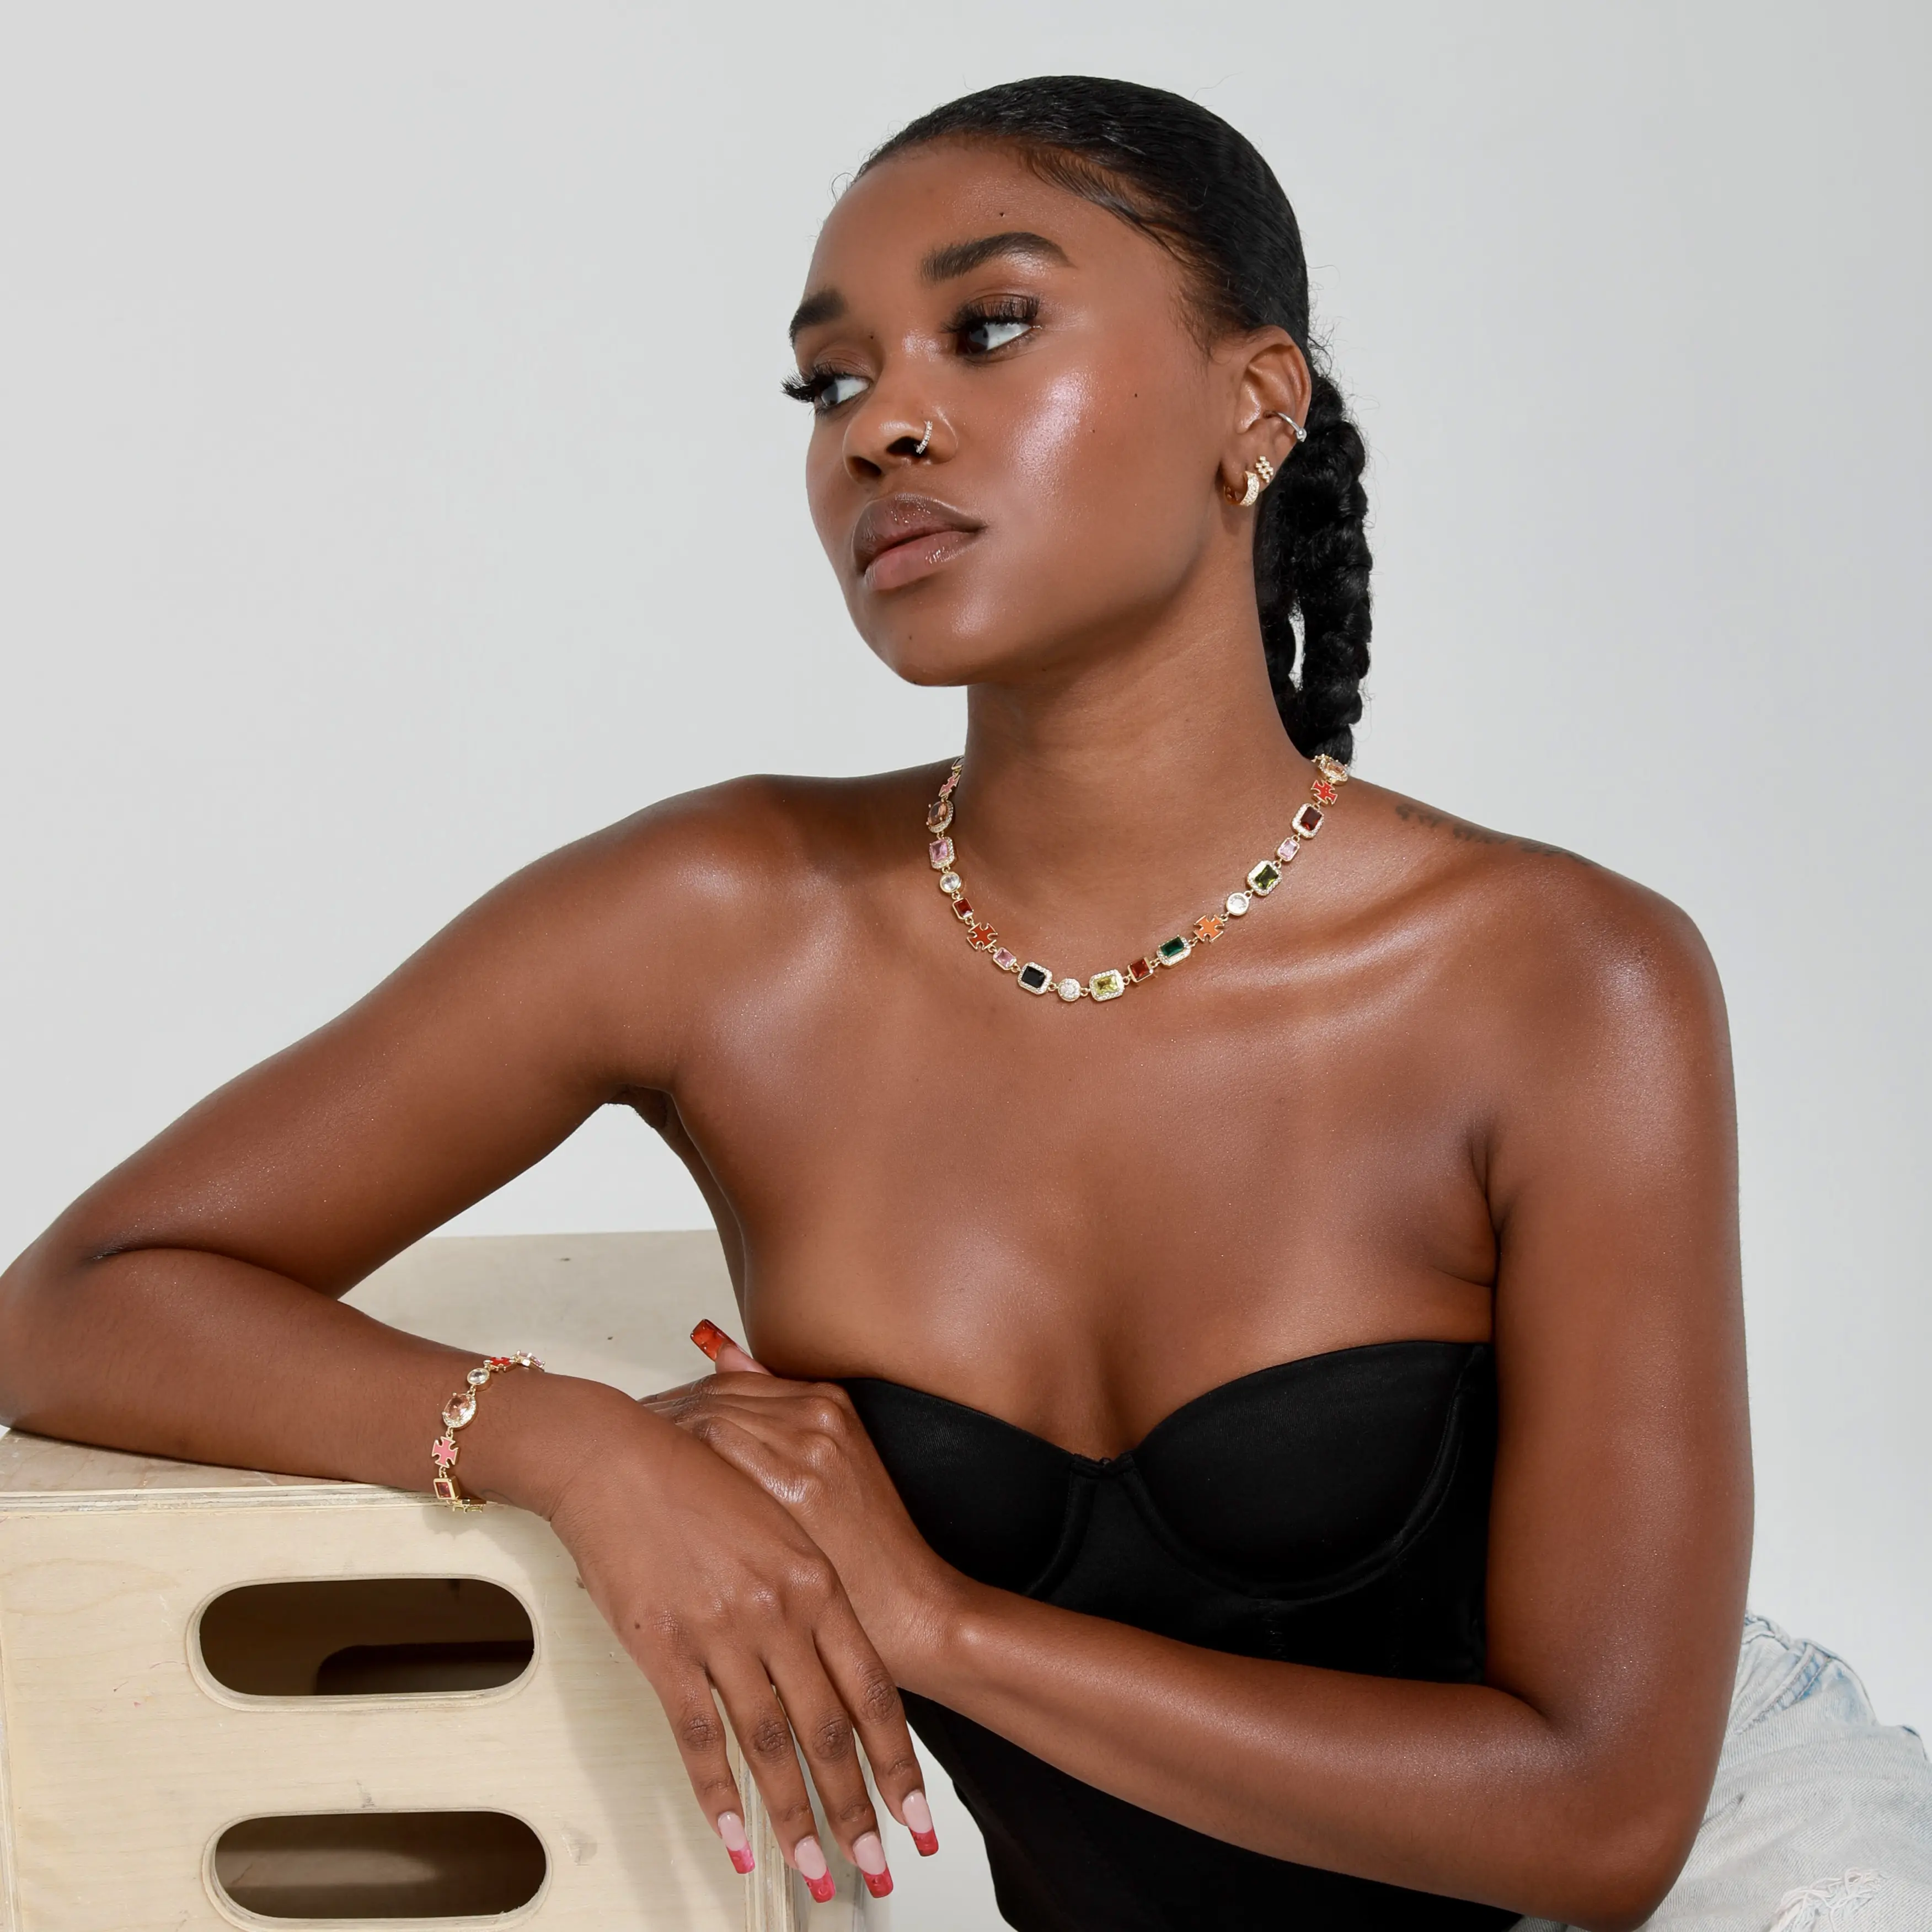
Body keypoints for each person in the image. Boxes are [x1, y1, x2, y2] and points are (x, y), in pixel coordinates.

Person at [1, 73, 1926, 1932]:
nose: (881, 429)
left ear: (1254, 403)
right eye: (830, 382)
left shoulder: (1563, 982)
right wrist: (577, 1444)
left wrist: (939, 1625)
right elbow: (82, 1299)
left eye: (988, 329)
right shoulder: (718, 921)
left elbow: (1597, 1816)